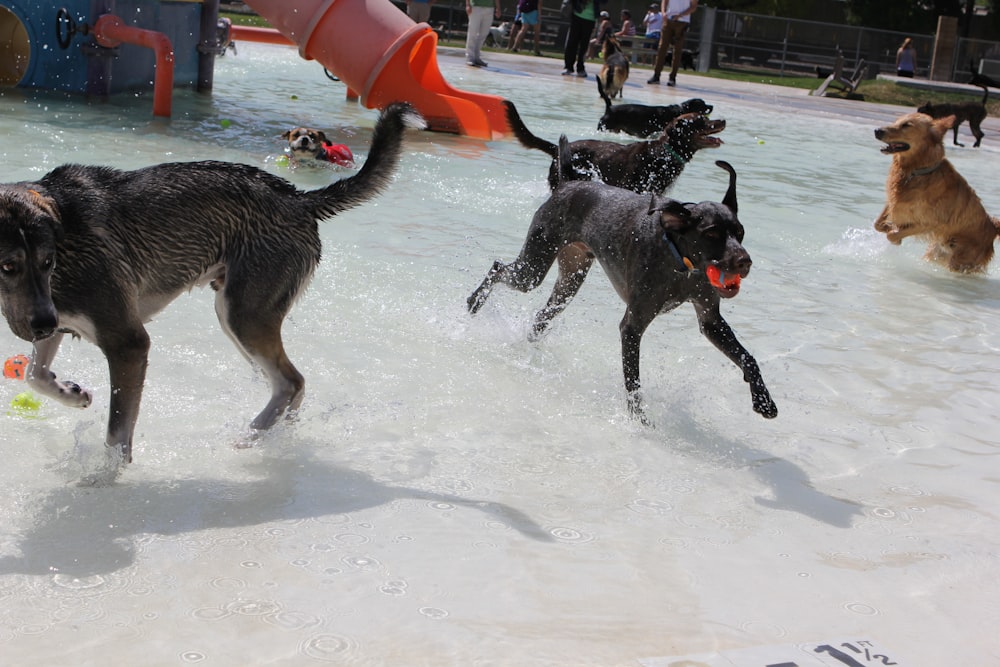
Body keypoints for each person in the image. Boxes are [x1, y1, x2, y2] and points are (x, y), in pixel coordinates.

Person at [648, 0, 698, 86]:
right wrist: (663, 13)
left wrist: (681, 15)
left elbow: (693, 7)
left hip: (682, 21)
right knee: (662, 48)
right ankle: (656, 75)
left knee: (677, 50)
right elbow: (664, 1)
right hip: (668, 20)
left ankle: (672, 77)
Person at [563, 0, 605, 77]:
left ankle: (580, 68)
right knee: (572, 42)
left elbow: (604, 1)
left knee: (584, 45)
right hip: (577, 14)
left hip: (590, 18)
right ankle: (568, 67)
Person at [465, 0, 501, 67]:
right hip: (475, 6)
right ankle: (470, 57)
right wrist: (468, 5)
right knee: (473, 32)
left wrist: (498, 8)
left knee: (484, 33)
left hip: (490, 8)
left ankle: (476, 57)